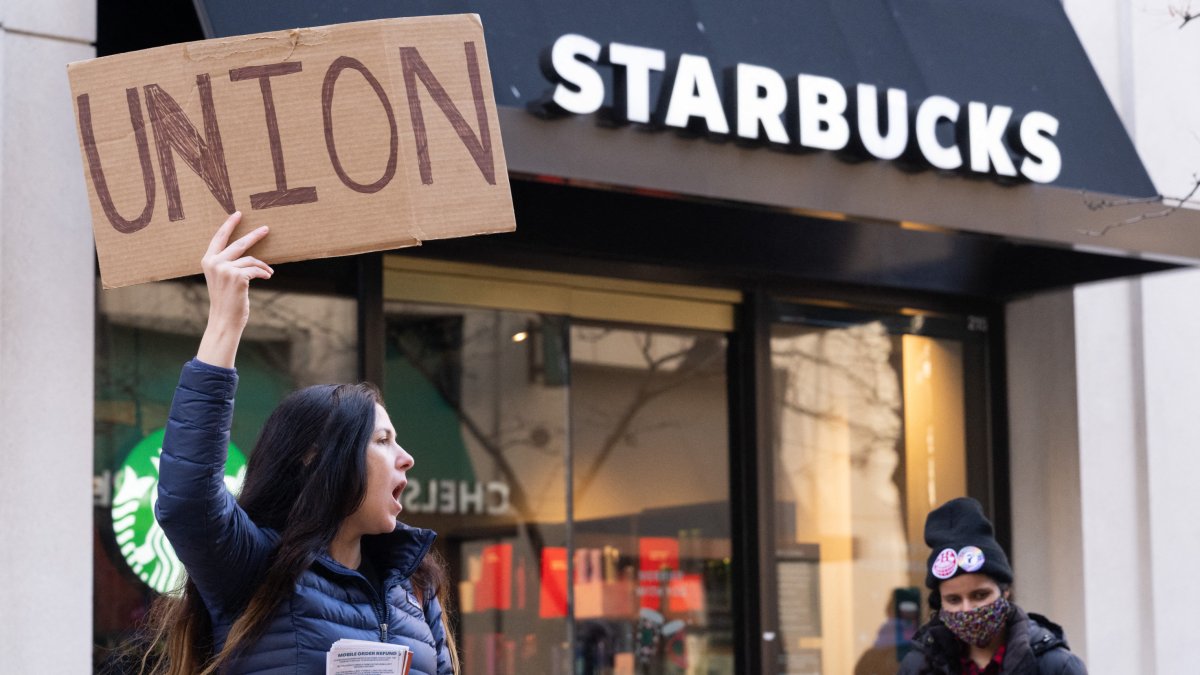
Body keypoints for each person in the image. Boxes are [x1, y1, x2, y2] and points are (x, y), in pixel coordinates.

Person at [137, 212, 457, 675]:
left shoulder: (415, 587)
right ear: (316, 458)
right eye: (383, 440)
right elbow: (187, 499)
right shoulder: (255, 568)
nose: (406, 459)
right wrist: (225, 322)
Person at [898, 498, 1086, 675]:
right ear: (940, 603)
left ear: (1005, 593)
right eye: (954, 599)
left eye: (980, 595)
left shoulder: (1055, 666)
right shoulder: (917, 667)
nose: (967, 609)